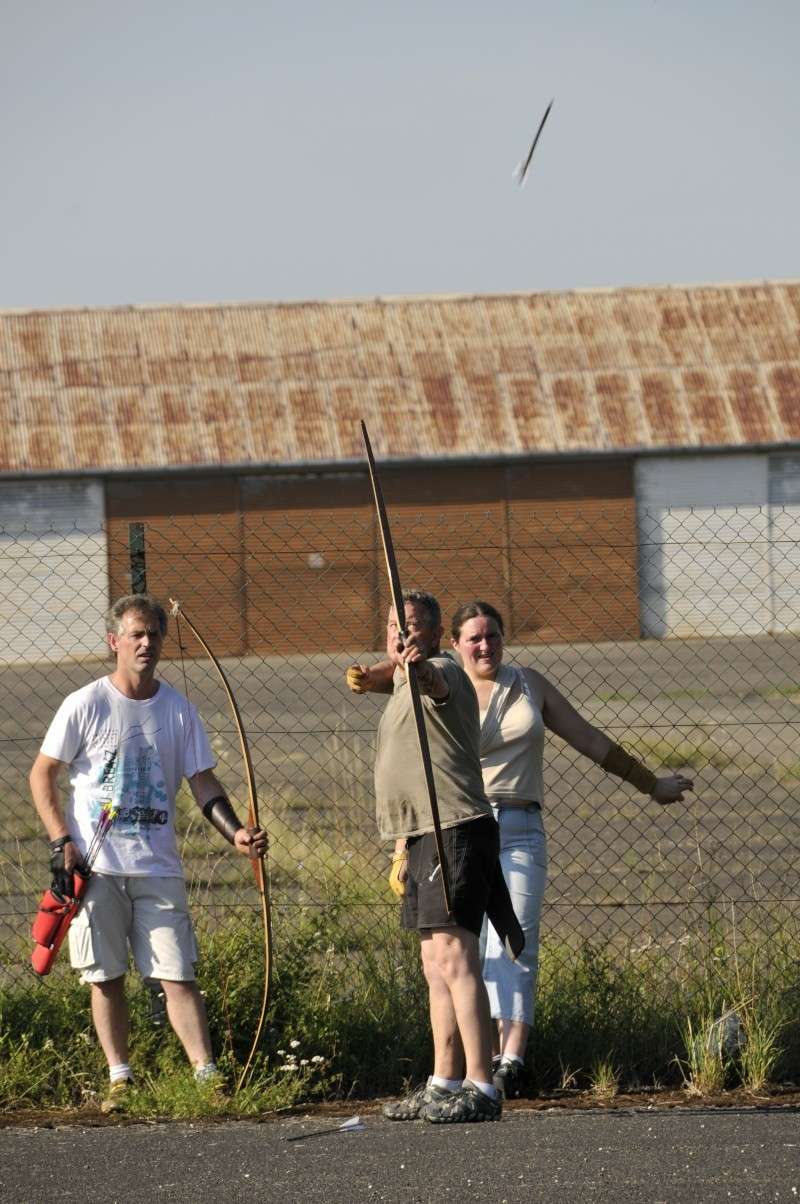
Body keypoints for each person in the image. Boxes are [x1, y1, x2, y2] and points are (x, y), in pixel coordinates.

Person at [349, 599, 693, 1100]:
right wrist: (403, 845)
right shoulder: (434, 680)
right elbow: (405, 683)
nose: (485, 646)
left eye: (493, 636)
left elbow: (588, 738)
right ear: (454, 642)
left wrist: (650, 783)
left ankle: (510, 1061)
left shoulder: (528, 685)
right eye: (475, 638)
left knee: (512, 943)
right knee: (464, 952)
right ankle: (476, 1062)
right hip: (461, 826)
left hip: (518, 826)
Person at [29, 593, 267, 1114]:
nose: (146, 642)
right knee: (106, 976)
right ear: (114, 641)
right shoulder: (85, 703)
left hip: (158, 867)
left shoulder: (178, 710)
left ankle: (208, 1079)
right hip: (98, 867)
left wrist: (237, 834)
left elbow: (203, 783)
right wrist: (60, 840)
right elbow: (42, 773)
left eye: (154, 634)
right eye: (135, 633)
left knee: (177, 973)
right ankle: (120, 1079)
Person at [357, 589, 508, 1124]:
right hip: (420, 834)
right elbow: (390, 673)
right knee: (433, 965)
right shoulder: (400, 678)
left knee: (456, 959)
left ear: (436, 634)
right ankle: (444, 1081)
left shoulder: (444, 670)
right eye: (398, 626)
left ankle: (483, 1086)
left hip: (456, 829)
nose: (406, 636)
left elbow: (434, 682)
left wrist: (418, 667)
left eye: (416, 627)